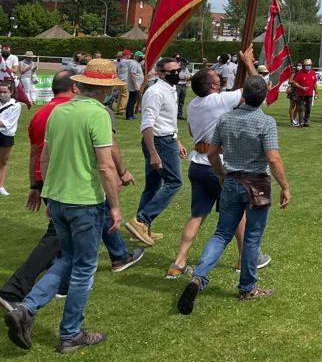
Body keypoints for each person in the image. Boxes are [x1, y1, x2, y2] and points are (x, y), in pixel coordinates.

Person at [3, 59, 124, 352]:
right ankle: (70, 333)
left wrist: (48, 193)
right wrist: (115, 206)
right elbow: (106, 167)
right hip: (84, 201)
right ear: (104, 89)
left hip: (58, 199)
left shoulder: (58, 112)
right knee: (84, 267)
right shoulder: (98, 114)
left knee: (66, 259)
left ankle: (27, 308)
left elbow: (45, 158)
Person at [177, 75, 290, 313]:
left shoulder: (226, 119)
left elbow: (212, 152)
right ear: (263, 98)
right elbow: (273, 157)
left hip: (231, 180)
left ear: (244, 95)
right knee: (252, 237)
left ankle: (199, 277)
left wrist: (220, 174)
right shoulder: (266, 122)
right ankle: (247, 287)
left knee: (221, 233)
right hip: (257, 183)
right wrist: (285, 186)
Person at [166, 49, 269, 279]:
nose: (220, 81)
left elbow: (193, 131)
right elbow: (257, 86)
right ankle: (244, 259)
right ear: (212, 86)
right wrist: (247, 63)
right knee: (238, 214)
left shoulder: (193, 105)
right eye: (217, 80)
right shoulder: (220, 99)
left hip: (197, 164)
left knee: (197, 215)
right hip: (219, 165)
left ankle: (179, 262)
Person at [126, 57, 187, 246]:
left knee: (153, 185)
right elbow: (147, 124)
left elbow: (167, 120)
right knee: (174, 182)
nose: (177, 74)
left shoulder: (170, 90)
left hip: (166, 139)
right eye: (172, 72)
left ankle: (142, 228)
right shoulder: (155, 92)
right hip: (159, 142)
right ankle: (142, 220)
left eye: (178, 70)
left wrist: (177, 141)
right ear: (161, 73)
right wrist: (154, 152)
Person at [0, 82, 21, 196]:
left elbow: (7, 123)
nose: (2, 94)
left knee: (3, 161)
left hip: (6, 135)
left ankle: (1, 186)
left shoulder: (15, 105)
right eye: (0, 92)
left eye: (5, 92)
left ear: (11, 92)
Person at [290, 59, 317, 128]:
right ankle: (301, 123)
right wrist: (302, 87)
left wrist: (316, 92)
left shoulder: (313, 73)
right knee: (301, 109)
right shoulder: (299, 73)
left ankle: (306, 122)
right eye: (307, 65)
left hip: (310, 94)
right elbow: (294, 82)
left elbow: (314, 83)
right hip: (301, 94)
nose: (308, 66)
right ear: (304, 66)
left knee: (308, 109)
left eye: (309, 65)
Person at [124, 51, 144, 120]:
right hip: (134, 86)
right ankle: (128, 115)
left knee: (133, 101)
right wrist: (135, 85)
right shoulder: (133, 64)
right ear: (136, 56)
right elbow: (133, 75)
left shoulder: (136, 63)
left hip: (136, 85)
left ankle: (131, 114)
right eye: (140, 57)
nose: (142, 58)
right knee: (131, 101)